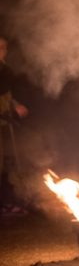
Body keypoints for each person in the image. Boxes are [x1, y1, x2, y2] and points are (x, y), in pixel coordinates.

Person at [0, 36, 29, 215]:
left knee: (6, 164)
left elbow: (6, 95)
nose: (4, 50)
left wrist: (15, 105)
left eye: (5, 47)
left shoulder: (4, 70)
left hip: (4, 123)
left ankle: (8, 202)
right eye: (0, 47)